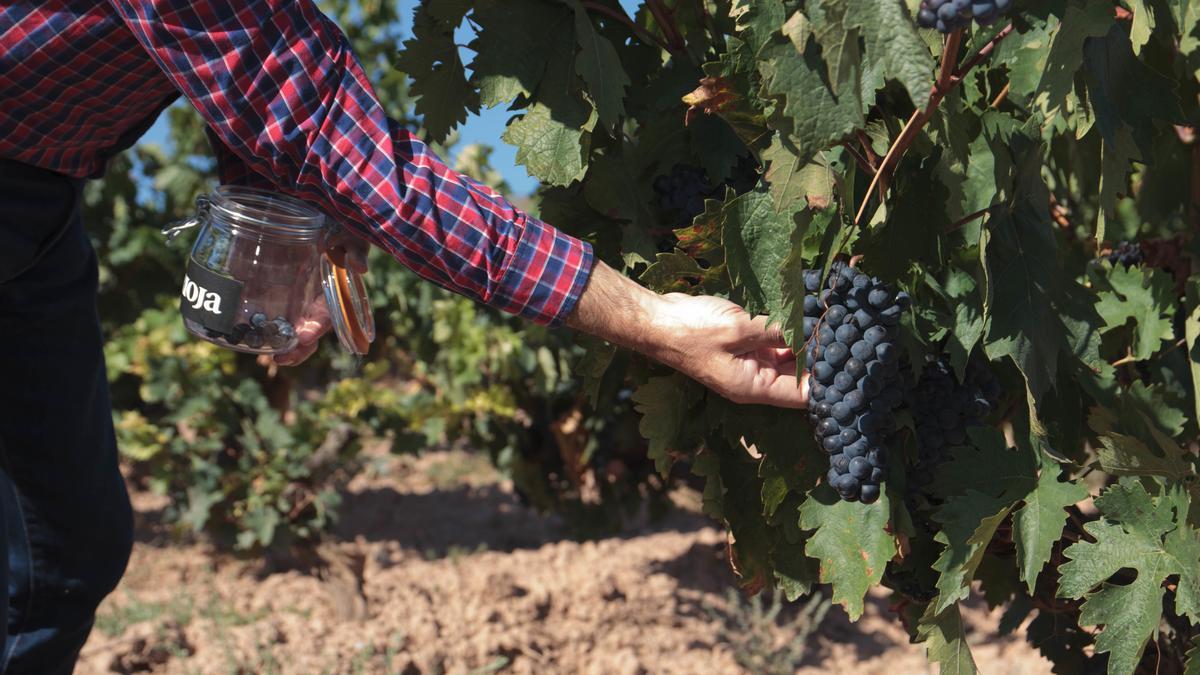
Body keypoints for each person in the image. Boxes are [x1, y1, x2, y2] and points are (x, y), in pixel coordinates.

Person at [0, 1, 808, 670]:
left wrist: (289, 224)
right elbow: (343, 146)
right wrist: (656, 322)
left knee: (64, 550)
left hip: (33, 196)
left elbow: (245, 80)